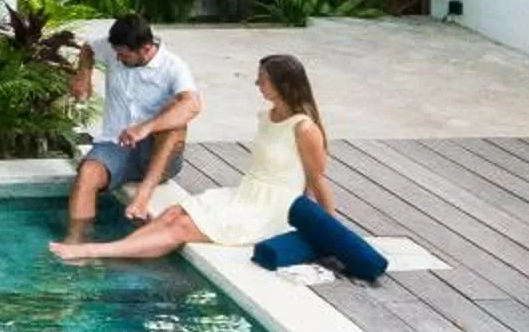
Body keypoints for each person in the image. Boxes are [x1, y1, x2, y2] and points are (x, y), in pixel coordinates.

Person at [54, 53, 334, 263]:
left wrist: (330, 231)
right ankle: (114, 249)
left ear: (283, 84)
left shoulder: (304, 127)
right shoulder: (266, 116)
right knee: (173, 213)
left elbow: (317, 180)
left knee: (181, 228)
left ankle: (93, 251)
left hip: (273, 208)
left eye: (263, 79)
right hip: (246, 194)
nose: (257, 83)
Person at [64, 13, 202, 239]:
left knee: (176, 116)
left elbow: (193, 106)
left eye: (124, 55)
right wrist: (84, 76)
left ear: (146, 49)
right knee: (87, 173)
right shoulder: (113, 50)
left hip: (156, 155)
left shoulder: (173, 67)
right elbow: (88, 48)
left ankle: (142, 196)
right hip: (115, 145)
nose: (116, 59)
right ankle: (75, 242)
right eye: (116, 53)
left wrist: (146, 127)